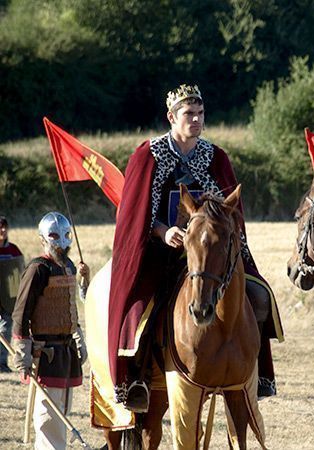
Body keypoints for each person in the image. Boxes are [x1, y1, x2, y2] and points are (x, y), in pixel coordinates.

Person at [109, 84, 283, 412]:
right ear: (171, 117)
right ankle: (137, 379)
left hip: (210, 254)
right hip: (162, 253)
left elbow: (232, 212)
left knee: (259, 297)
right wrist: (163, 232)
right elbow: (135, 215)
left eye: (200, 113)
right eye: (189, 114)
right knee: (139, 310)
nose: (197, 119)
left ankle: (254, 372)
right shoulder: (149, 156)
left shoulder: (215, 157)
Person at [12, 212, 89, 450]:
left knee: (61, 414)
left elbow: (70, 308)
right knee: (48, 417)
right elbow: (21, 313)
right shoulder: (38, 269)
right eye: (55, 236)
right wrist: (22, 351)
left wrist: (79, 338)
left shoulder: (68, 267)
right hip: (46, 355)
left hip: (66, 353)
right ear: (43, 239)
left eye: (65, 236)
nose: (61, 242)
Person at [0, 215, 24, 372]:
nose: (3, 230)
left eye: (5, 227)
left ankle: (1, 362)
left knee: (5, 330)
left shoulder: (13, 250)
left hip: (7, 298)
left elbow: (19, 271)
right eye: (0, 227)